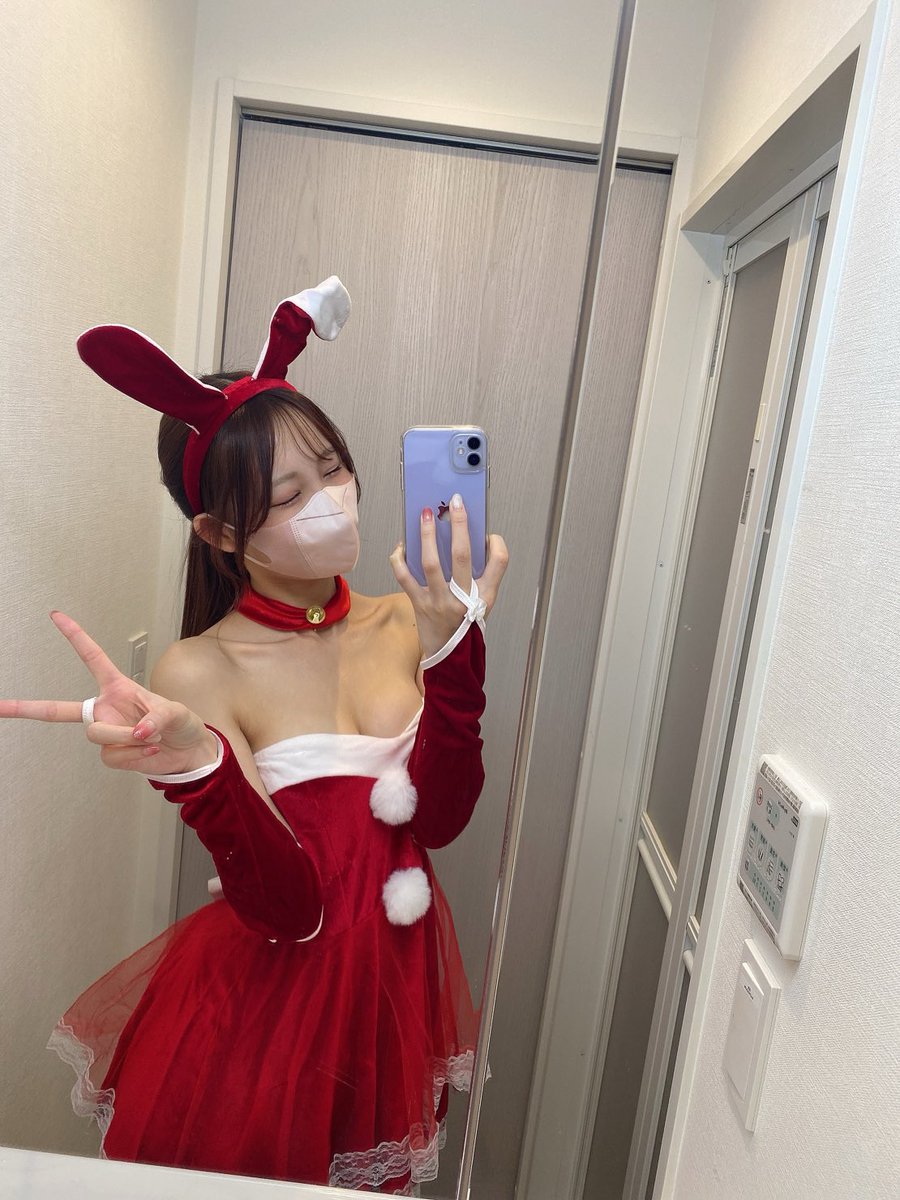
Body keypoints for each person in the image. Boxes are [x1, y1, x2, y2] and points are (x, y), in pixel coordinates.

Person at [2, 277, 508, 1193]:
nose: (333, 499)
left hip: (383, 993)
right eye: (289, 493)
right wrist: (203, 768)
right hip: (262, 1016)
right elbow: (289, 908)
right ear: (220, 531)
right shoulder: (200, 670)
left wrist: (456, 652)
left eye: (334, 468)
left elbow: (439, 821)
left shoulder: (409, 620)